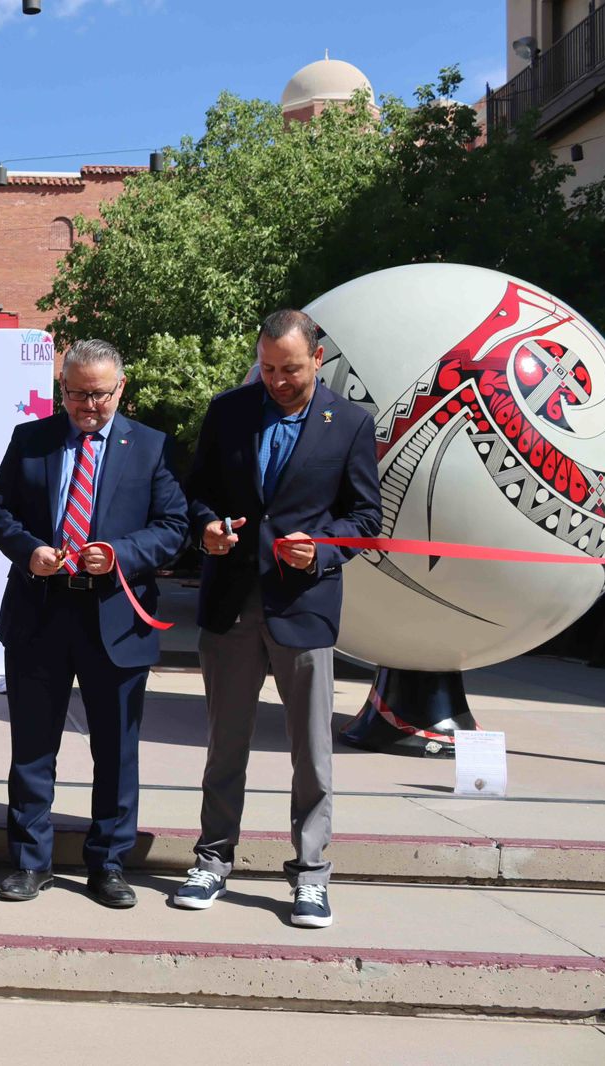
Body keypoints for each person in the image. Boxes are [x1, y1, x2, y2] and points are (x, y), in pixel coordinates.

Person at [172, 308, 381, 928]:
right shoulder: (228, 411)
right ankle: (212, 860)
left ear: (318, 359)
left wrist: (324, 548)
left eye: (290, 369)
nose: (278, 381)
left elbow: (366, 519)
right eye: (267, 369)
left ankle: (311, 875)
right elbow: (194, 493)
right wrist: (206, 528)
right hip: (231, 604)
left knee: (311, 753)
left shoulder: (350, 424)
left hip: (304, 606)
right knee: (224, 746)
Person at [0, 339, 187, 907]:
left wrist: (121, 553)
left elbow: (174, 526)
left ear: (120, 388)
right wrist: (29, 551)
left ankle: (109, 864)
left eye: (98, 395)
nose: (87, 406)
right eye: (75, 394)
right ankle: (30, 861)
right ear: (62, 388)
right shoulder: (31, 439)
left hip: (116, 619)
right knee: (32, 748)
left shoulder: (150, 446)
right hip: (40, 613)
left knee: (116, 752)